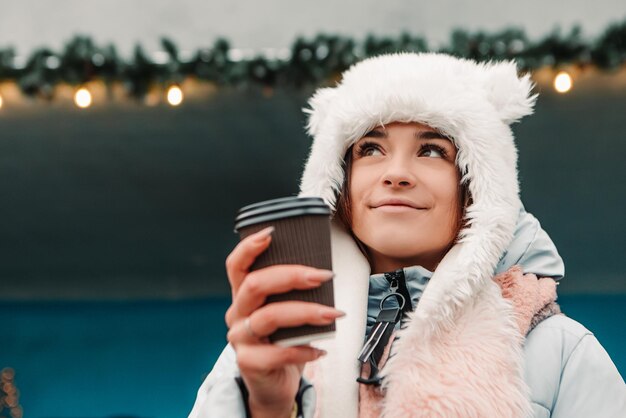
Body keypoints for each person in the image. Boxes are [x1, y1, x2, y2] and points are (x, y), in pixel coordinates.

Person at [188, 53, 626, 418]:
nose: (396, 173)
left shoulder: (562, 352)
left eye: (432, 149)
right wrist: (268, 406)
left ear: (477, 187)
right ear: (338, 181)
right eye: (370, 148)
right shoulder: (271, 346)